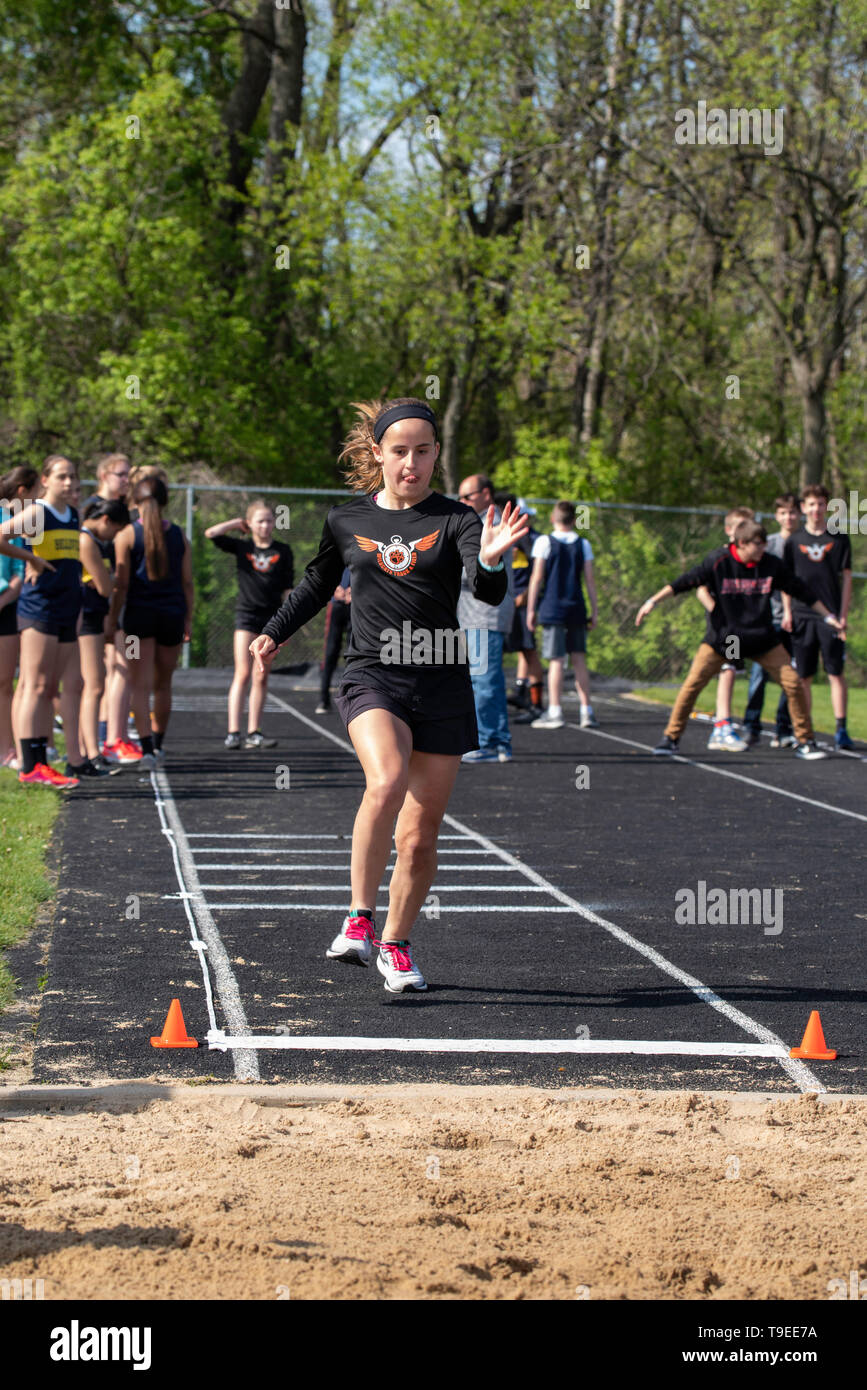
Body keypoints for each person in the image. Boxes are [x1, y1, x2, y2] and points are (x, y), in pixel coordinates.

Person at [250, 396, 527, 993]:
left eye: (423, 452)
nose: (412, 463)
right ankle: (358, 916)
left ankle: (396, 945)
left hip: (442, 679)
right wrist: (275, 631)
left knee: (420, 835)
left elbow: (487, 588)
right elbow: (318, 584)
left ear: (436, 456)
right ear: (378, 453)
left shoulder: (457, 521)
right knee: (386, 779)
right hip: (373, 673)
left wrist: (495, 560)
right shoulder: (347, 520)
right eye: (399, 451)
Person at [636, 518, 845, 761]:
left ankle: (806, 741)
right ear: (742, 543)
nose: (762, 549)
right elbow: (684, 582)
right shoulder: (719, 561)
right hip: (727, 638)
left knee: (793, 683)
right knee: (692, 684)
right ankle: (671, 738)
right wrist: (652, 601)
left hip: (761, 638)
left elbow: (801, 591)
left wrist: (829, 616)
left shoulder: (770, 565)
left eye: (764, 544)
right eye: (757, 544)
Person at [0, 455, 84, 787]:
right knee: (32, 685)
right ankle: (29, 765)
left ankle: (41, 761)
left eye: (73, 476)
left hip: (67, 607)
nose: (69, 482)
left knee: (50, 688)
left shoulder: (73, 514)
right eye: (62, 476)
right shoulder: (37, 513)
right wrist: (31, 557)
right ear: (46, 480)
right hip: (40, 608)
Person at [107, 476, 193, 769]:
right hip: (172, 616)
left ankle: (145, 750)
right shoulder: (179, 535)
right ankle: (157, 744)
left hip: (136, 621)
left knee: (138, 685)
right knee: (163, 684)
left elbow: (120, 584)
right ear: (166, 500)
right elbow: (187, 582)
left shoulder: (127, 535)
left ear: (134, 501)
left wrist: (112, 620)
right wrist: (188, 620)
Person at [205, 501, 294, 748]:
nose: (265, 525)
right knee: (243, 673)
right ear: (251, 523)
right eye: (260, 520)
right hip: (246, 616)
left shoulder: (283, 550)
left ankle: (254, 731)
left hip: (272, 620)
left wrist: (289, 623)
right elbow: (211, 533)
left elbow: (288, 589)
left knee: (261, 675)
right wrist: (237, 524)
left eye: (269, 520)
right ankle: (234, 731)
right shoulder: (242, 547)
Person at [784, 483, 854, 751]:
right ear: (804, 508)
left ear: (828, 506)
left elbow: (847, 579)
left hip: (832, 618)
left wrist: (843, 614)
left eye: (821, 504)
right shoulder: (794, 541)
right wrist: (788, 611)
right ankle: (806, 729)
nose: (816, 509)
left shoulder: (839, 538)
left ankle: (841, 728)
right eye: (811, 504)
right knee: (804, 676)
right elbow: (786, 581)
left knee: (836, 672)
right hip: (802, 616)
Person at [456, 474, 515, 763]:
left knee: (484, 680)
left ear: (486, 494)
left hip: (484, 614)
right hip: (474, 614)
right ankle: (499, 741)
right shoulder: (479, 522)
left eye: (468, 496)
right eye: (461, 496)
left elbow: (476, 570)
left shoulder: (490, 524)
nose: (462, 501)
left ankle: (489, 742)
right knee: (485, 679)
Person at [526, 500, 598, 731]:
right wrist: (594, 610)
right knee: (578, 659)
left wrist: (530, 610)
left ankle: (555, 710)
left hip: (553, 609)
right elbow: (589, 581)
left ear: (553, 519)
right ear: (574, 520)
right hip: (576, 608)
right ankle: (586, 710)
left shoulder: (544, 542)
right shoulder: (583, 544)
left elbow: (536, 578)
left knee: (556, 661)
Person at [741, 493, 800, 748]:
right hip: (767, 621)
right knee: (759, 675)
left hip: (797, 621)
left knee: (791, 676)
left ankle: (783, 728)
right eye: (784, 513)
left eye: (793, 512)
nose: (789, 517)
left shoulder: (805, 543)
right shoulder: (768, 543)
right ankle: (751, 726)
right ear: (777, 516)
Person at [83, 453, 132, 749]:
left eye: (128, 475)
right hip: (92, 602)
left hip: (122, 597)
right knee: (95, 674)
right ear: (103, 476)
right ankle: (97, 737)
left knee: (124, 664)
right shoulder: (90, 513)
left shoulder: (128, 511)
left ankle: (114, 734)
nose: (126, 480)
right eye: (120, 475)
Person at [696, 505, 754, 751]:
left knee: (729, 671)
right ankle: (723, 725)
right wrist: (719, 613)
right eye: (741, 525)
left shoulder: (751, 558)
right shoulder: (718, 558)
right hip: (724, 627)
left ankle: (722, 725)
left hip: (741, 626)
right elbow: (700, 589)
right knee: (727, 670)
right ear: (729, 530)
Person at [0, 467, 39, 768]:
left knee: (11, 681)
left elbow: (21, 572)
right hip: (132, 628)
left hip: (13, 607)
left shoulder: (32, 519)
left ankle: (14, 750)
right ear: (23, 491)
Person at [501, 495, 546, 724]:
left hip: (523, 602)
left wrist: (527, 596)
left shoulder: (533, 539)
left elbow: (538, 573)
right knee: (518, 648)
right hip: (506, 600)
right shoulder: (508, 534)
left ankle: (538, 705)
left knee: (529, 649)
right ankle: (521, 693)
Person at [316, 566, 352, 714]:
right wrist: (334, 587)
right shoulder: (338, 545)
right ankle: (323, 699)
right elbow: (325, 570)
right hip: (336, 605)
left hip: (357, 606)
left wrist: (357, 589)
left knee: (354, 653)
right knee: (330, 653)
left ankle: (353, 699)